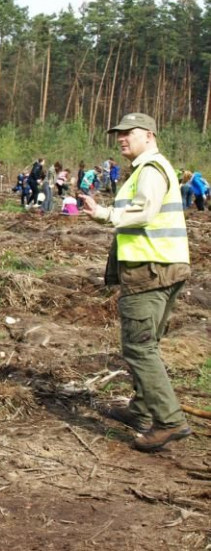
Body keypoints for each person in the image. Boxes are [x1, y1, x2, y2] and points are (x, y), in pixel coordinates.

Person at [79, 112, 191, 452]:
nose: (122, 138)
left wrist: (105, 213)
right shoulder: (149, 169)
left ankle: (168, 421)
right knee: (149, 343)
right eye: (119, 134)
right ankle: (142, 408)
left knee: (139, 347)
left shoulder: (151, 170)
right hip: (164, 266)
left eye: (129, 133)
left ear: (150, 136)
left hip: (149, 271)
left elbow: (144, 212)